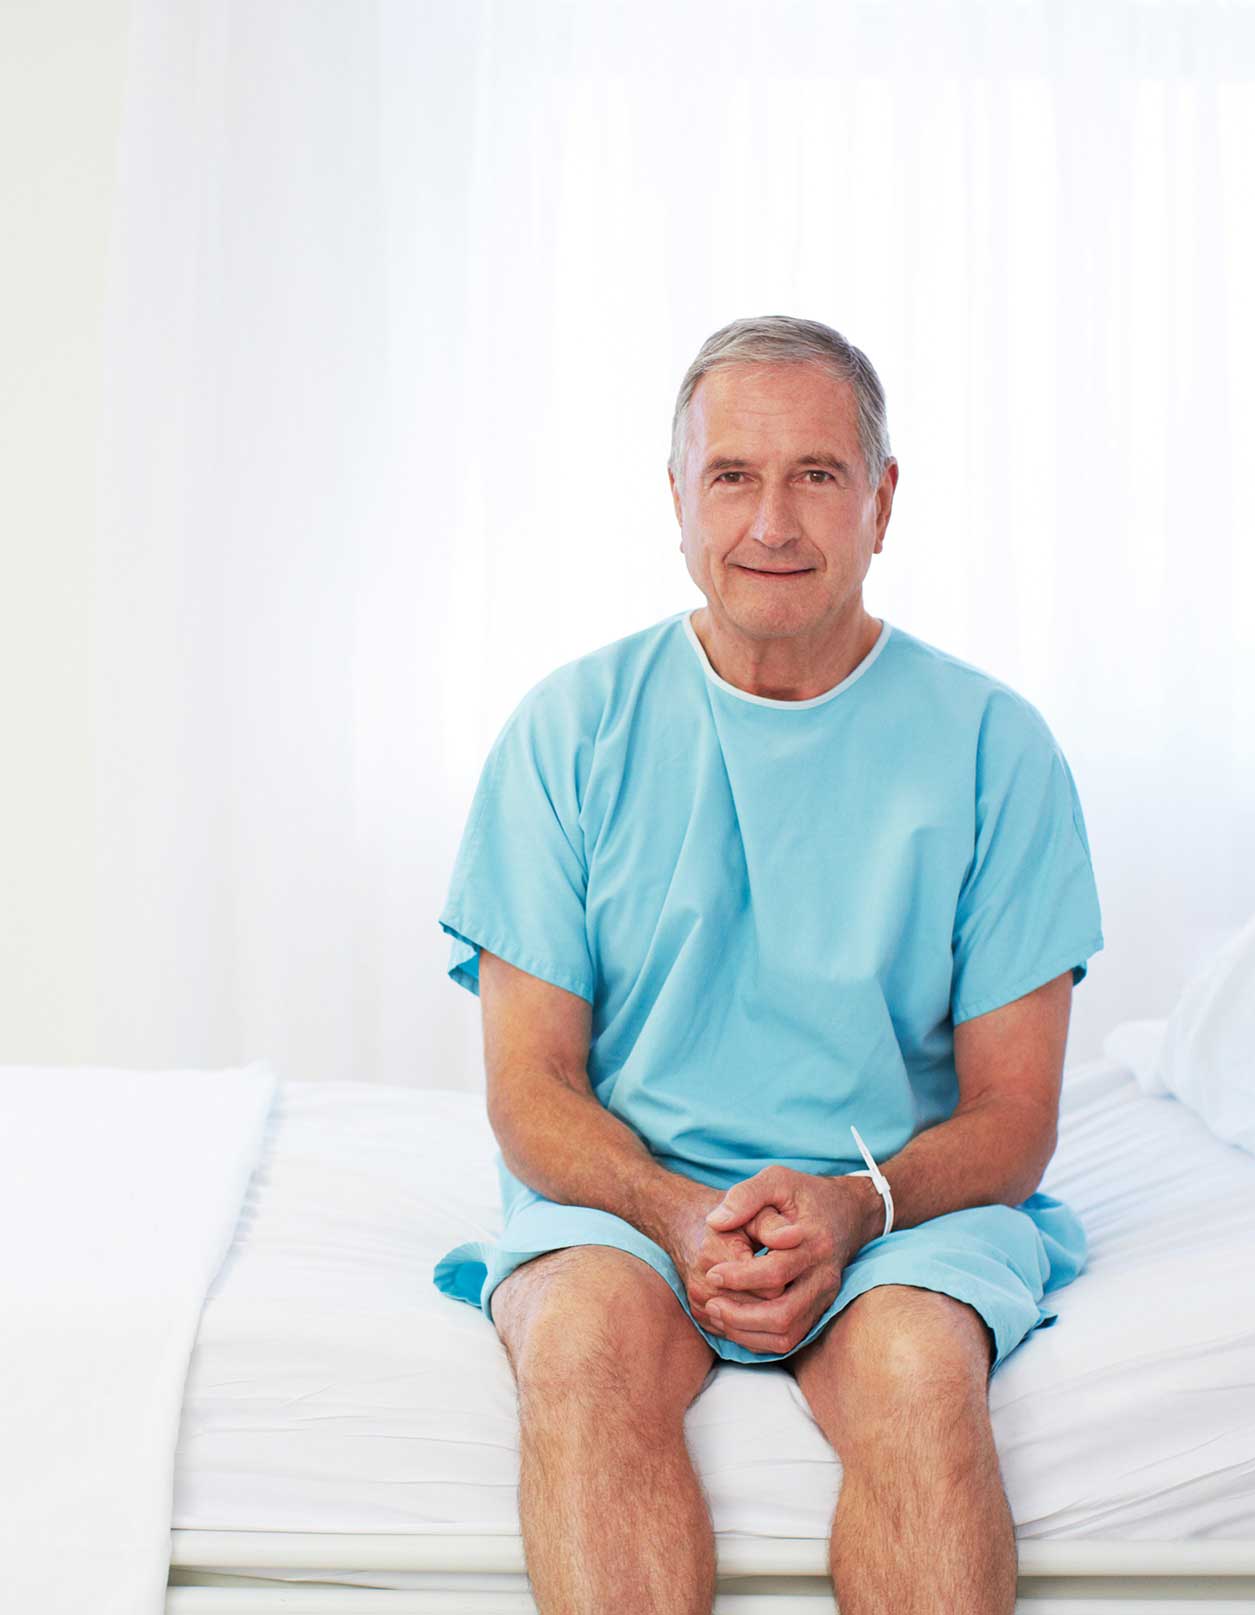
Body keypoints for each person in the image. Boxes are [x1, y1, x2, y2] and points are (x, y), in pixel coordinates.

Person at [430, 314, 1103, 1615]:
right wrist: (680, 1214)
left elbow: (1015, 1121)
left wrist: (854, 1209)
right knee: (578, 1348)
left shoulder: (993, 747)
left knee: (918, 1373)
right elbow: (532, 1091)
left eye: (817, 476)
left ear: (882, 501)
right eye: (732, 477)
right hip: (627, 1201)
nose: (773, 524)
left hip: (894, 1207)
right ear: (676, 500)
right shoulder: (569, 732)